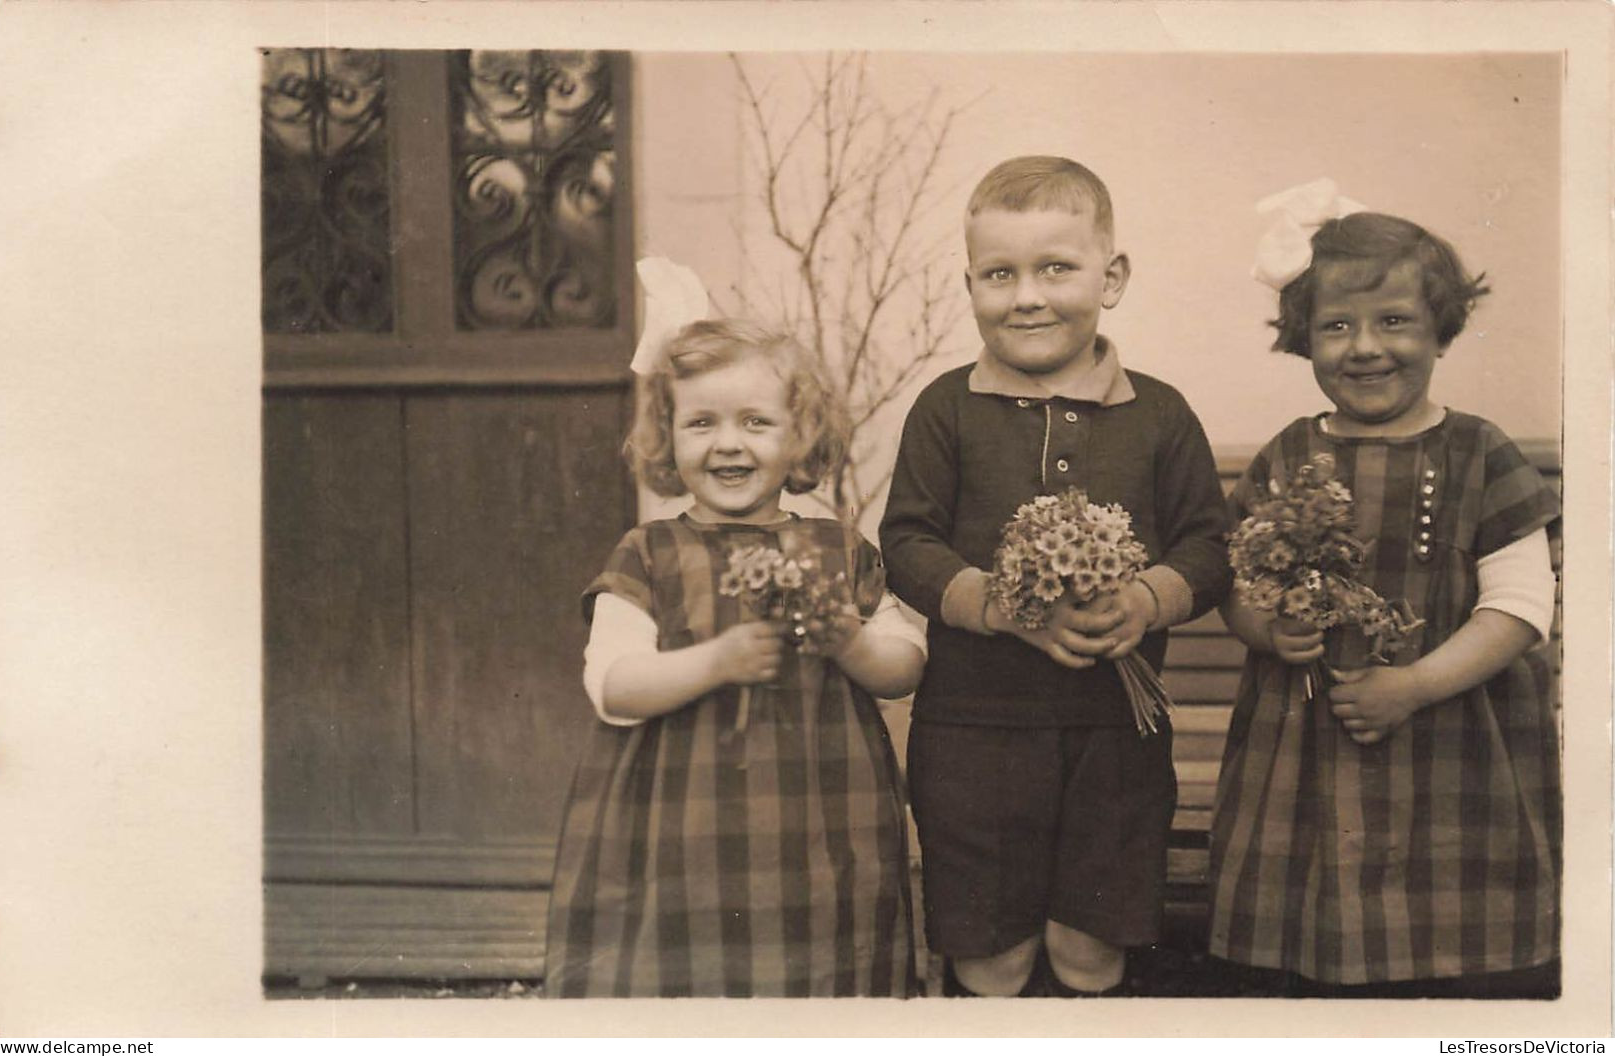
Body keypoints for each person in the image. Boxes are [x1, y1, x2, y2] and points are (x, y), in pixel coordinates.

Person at [880, 156, 1232, 997]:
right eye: (998, 274)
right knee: (990, 959)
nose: (1026, 296)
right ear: (968, 284)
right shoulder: (945, 408)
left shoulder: (1159, 412)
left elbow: (1208, 548)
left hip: (1116, 736)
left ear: (1110, 278)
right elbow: (907, 542)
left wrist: (1145, 601)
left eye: (1055, 269)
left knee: (1088, 951)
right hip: (973, 731)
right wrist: (1000, 608)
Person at [1207, 183, 1561, 998]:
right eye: (1336, 326)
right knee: (1314, 934)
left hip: (1452, 741)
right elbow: (1235, 579)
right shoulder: (1287, 454)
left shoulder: (1479, 452)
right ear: (1304, 339)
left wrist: (1414, 685)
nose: (1363, 347)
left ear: (1441, 327)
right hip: (1305, 742)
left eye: (1393, 321)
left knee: (1453, 944)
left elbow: (1518, 606)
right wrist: (1265, 630)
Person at [543, 285, 927, 997]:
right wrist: (714, 662)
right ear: (666, 439)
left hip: (822, 819)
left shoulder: (838, 548)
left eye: (755, 421)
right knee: (693, 972)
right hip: (680, 822)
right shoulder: (649, 551)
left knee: (820, 969)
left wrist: (846, 639)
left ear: (799, 437)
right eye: (700, 423)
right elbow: (613, 685)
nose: (727, 442)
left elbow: (903, 665)